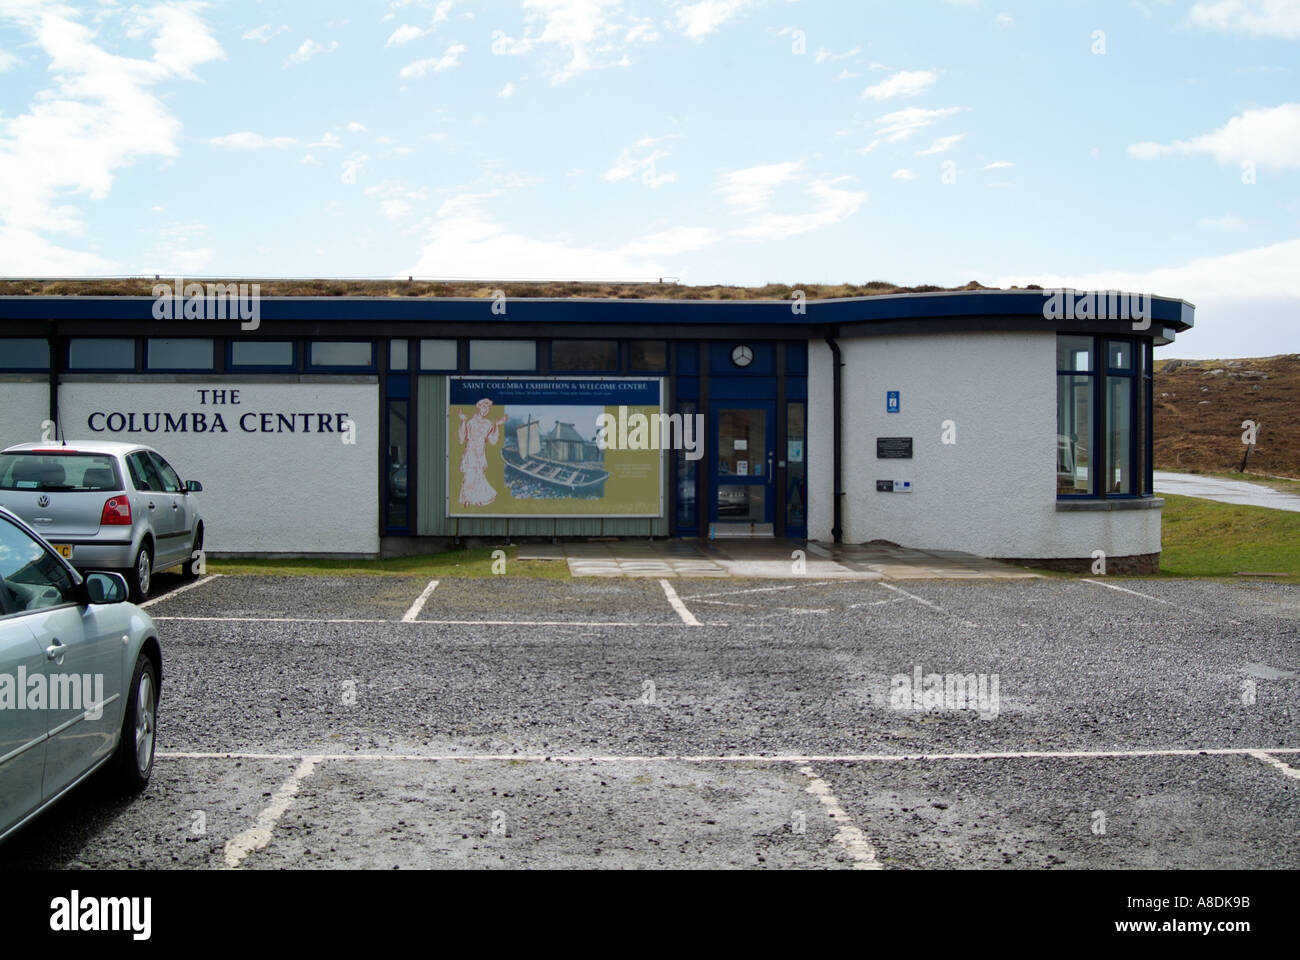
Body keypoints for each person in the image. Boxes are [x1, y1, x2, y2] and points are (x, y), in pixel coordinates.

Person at [458, 398, 507, 507]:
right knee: (470, 476)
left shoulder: (488, 423)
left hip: (480, 454)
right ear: (479, 406)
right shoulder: (470, 422)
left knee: (479, 476)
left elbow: (493, 440)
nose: (486, 410)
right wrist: (463, 421)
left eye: (488, 408)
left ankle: (476, 499)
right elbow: (462, 438)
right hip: (470, 452)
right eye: (484, 407)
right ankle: (467, 499)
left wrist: (497, 425)